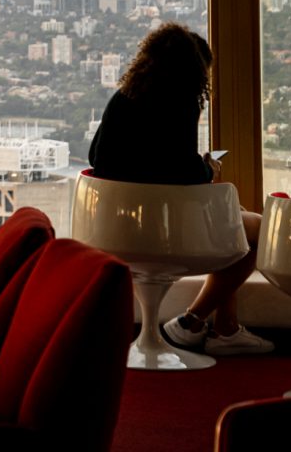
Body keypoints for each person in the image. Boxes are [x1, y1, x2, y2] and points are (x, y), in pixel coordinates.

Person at [88, 23, 271, 355]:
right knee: (257, 231)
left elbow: (95, 158)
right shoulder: (181, 100)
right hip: (162, 229)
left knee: (234, 218)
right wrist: (209, 167)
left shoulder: (123, 97)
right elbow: (187, 173)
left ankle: (225, 329)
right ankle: (192, 320)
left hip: (113, 229)